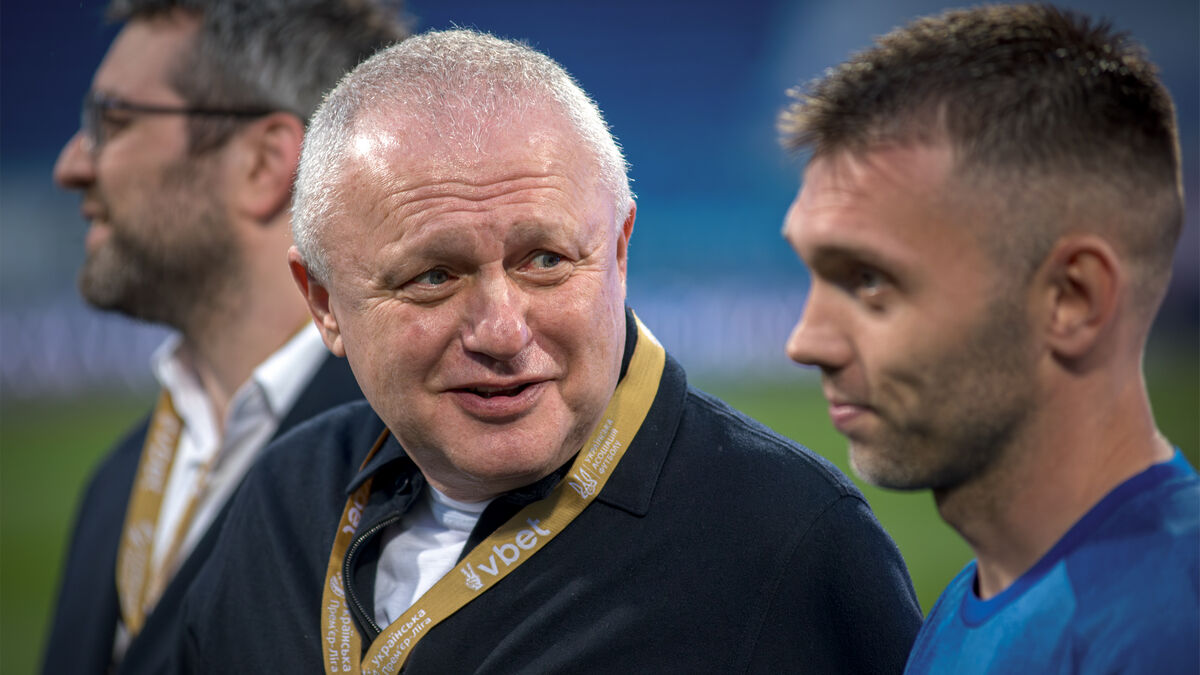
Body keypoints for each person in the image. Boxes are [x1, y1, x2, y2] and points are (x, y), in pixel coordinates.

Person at [174, 28, 922, 673]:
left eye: (545, 260)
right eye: (434, 277)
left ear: (620, 252)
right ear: (323, 303)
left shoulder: (791, 545)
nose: (502, 332)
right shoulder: (280, 503)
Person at [779, 4, 1198, 673]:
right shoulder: (969, 604)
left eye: (870, 279)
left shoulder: (1167, 627)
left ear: (1072, 299)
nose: (807, 342)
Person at [44, 1, 408, 672]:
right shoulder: (117, 482)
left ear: (264, 163)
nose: (71, 165)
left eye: (112, 122)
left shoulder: (410, 470)